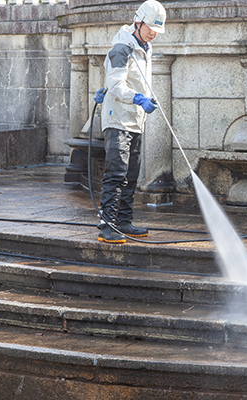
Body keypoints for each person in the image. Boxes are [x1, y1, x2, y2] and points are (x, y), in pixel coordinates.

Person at [94, 0, 166, 244]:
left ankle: (123, 222)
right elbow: (116, 84)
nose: (153, 33)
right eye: (150, 28)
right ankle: (107, 226)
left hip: (136, 119)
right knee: (116, 173)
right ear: (138, 21)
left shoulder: (144, 46)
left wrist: (146, 98)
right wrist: (136, 98)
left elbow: (129, 79)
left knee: (131, 173)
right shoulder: (122, 47)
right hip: (118, 120)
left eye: (156, 30)